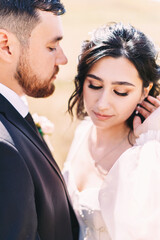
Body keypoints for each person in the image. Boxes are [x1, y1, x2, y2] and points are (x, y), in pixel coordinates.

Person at [63, 23, 160, 240]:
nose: (102, 104)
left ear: (145, 92)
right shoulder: (83, 130)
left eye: (120, 91)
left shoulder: (149, 157)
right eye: (95, 86)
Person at [0, 1, 79, 240]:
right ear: (6, 46)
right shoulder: (4, 149)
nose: (63, 59)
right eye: (51, 46)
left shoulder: (14, 116)